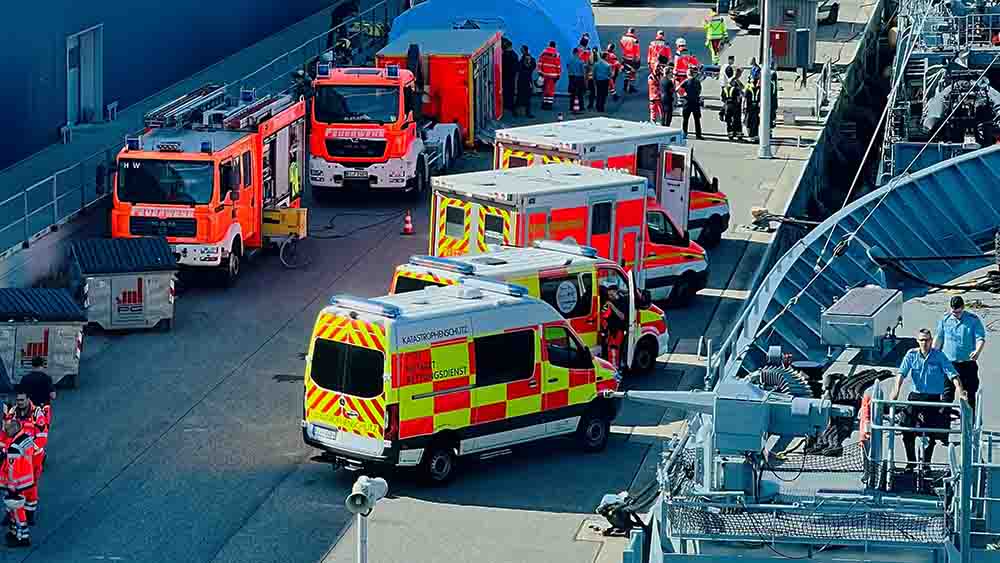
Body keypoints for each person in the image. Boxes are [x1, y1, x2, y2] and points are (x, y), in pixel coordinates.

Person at [890, 328, 966, 473]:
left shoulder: (939, 356)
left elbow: (952, 374)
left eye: (927, 340)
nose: (924, 343)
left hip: (933, 399)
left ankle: (926, 465)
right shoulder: (911, 355)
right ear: (917, 341)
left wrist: (961, 391)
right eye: (922, 340)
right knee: (907, 429)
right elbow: (901, 374)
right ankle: (911, 463)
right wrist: (895, 391)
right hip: (915, 397)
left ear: (931, 341)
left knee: (931, 432)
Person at [935, 295, 986, 417]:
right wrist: (933, 354)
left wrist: (977, 351)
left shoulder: (973, 320)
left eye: (958, 312)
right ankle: (943, 423)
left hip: (967, 364)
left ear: (963, 308)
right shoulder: (945, 320)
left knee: (969, 396)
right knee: (946, 395)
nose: (956, 315)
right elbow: (939, 338)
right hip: (949, 365)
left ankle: (970, 424)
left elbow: (980, 338)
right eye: (954, 312)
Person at [2, 418, 34, 545]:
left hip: (17, 484)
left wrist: (11, 487)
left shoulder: (14, 449)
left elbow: (13, 470)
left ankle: (22, 537)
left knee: (16, 509)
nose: (6, 431)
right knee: (18, 509)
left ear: (14, 429)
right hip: (27, 479)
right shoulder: (26, 438)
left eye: (8, 429)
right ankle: (15, 532)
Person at [600, 285, 628, 369]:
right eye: (609, 295)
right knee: (610, 350)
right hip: (610, 330)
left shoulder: (622, 302)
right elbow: (604, 315)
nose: (610, 297)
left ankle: (615, 367)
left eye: (612, 295)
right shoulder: (609, 301)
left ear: (616, 292)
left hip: (618, 330)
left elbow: (622, 316)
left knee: (614, 349)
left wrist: (611, 306)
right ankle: (613, 367)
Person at [538, 41, 562, 110]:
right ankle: (549, 104)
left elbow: (540, 63)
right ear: (555, 46)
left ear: (549, 45)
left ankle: (544, 103)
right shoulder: (556, 54)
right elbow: (558, 66)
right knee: (551, 90)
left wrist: (540, 72)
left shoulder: (544, 53)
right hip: (553, 75)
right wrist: (559, 74)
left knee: (545, 89)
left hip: (544, 74)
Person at [680, 68, 704, 140]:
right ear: (693, 74)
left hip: (687, 103)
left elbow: (677, 89)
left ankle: (684, 134)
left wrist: (683, 94)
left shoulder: (686, 81)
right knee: (697, 120)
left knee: (685, 119)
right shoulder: (697, 81)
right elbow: (700, 90)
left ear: (687, 74)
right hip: (695, 102)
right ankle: (698, 135)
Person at [721, 68, 743, 140]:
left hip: (727, 105)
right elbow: (739, 97)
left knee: (728, 120)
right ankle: (738, 134)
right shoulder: (736, 88)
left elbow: (723, 98)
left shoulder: (724, 88)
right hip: (735, 106)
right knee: (737, 120)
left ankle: (730, 134)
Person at [516, 45, 536, 117]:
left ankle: (517, 112)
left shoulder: (523, 59)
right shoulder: (531, 59)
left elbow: (519, 68)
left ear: (524, 50)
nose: (521, 50)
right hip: (528, 79)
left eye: (522, 49)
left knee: (520, 95)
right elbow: (533, 66)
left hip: (522, 79)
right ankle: (527, 112)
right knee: (527, 97)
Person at [619, 28, 641, 94]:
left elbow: (622, 46)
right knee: (632, 73)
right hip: (632, 58)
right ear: (633, 32)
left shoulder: (623, 38)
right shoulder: (635, 40)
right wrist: (637, 58)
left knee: (626, 72)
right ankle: (631, 87)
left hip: (625, 57)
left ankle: (625, 87)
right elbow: (637, 50)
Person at [501, 39, 520, 113]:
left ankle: (506, 104)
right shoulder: (514, 55)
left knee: (506, 91)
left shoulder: (504, 55)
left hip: (505, 76)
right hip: (511, 76)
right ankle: (509, 104)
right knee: (510, 91)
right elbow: (516, 67)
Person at [567, 47, 586, 114]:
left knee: (572, 93)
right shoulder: (580, 61)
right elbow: (583, 71)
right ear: (577, 53)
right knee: (580, 93)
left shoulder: (569, 60)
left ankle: (571, 106)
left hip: (571, 77)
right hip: (579, 78)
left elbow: (568, 67)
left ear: (573, 52)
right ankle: (581, 107)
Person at [579, 41, 596, 110]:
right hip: (592, 77)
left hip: (589, 76)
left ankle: (589, 102)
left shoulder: (585, 54)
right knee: (592, 90)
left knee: (589, 88)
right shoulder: (594, 57)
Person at [594, 48, 612, 112]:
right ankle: (601, 107)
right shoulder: (608, 65)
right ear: (605, 57)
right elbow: (610, 74)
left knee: (598, 93)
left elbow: (594, 73)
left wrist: (594, 79)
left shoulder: (596, 64)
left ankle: (597, 105)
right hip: (605, 81)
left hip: (598, 80)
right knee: (604, 94)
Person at [659, 61, 676, 127]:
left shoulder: (661, 80)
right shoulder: (669, 81)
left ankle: (662, 124)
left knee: (663, 112)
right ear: (668, 73)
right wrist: (673, 83)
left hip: (662, 97)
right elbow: (672, 90)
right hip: (668, 98)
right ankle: (667, 125)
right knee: (669, 113)